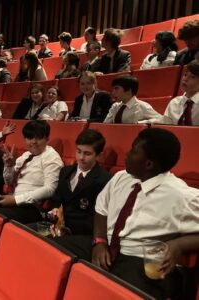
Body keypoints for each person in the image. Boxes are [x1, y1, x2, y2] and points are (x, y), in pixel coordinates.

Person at [91, 128, 199, 300]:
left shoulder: (182, 196)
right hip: (107, 246)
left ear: (148, 164)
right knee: (50, 247)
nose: (126, 154)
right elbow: (101, 209)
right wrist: (100, 241)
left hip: (140, 259)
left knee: (103, 291)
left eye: (133, 150)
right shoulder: (121, 177)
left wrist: (178, 244)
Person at [0, 120, 64, 223]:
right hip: (13, 200)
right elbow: (8, 182)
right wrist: (9, 166)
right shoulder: (25, 155)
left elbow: (50, 189)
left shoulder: (52, 157)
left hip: (32, 208)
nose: (33, 142)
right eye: (30, 138)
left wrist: (16, 200)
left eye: (38, 138)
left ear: (47, 138)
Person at [48, 129, 111, 239]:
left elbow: (96, 218)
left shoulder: (105, 179)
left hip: (80, 235)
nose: (81, 157)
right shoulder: (65, 171)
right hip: (56, 227)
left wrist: (67, 230)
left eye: (87, 154)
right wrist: (54, 211)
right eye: (79, 151)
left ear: (98, 155)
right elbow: (57, 200)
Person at [157, 59, 199, 125]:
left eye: (193, 77)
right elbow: (166, 128)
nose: (185, 79)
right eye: (185, 75)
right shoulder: (174, 103)